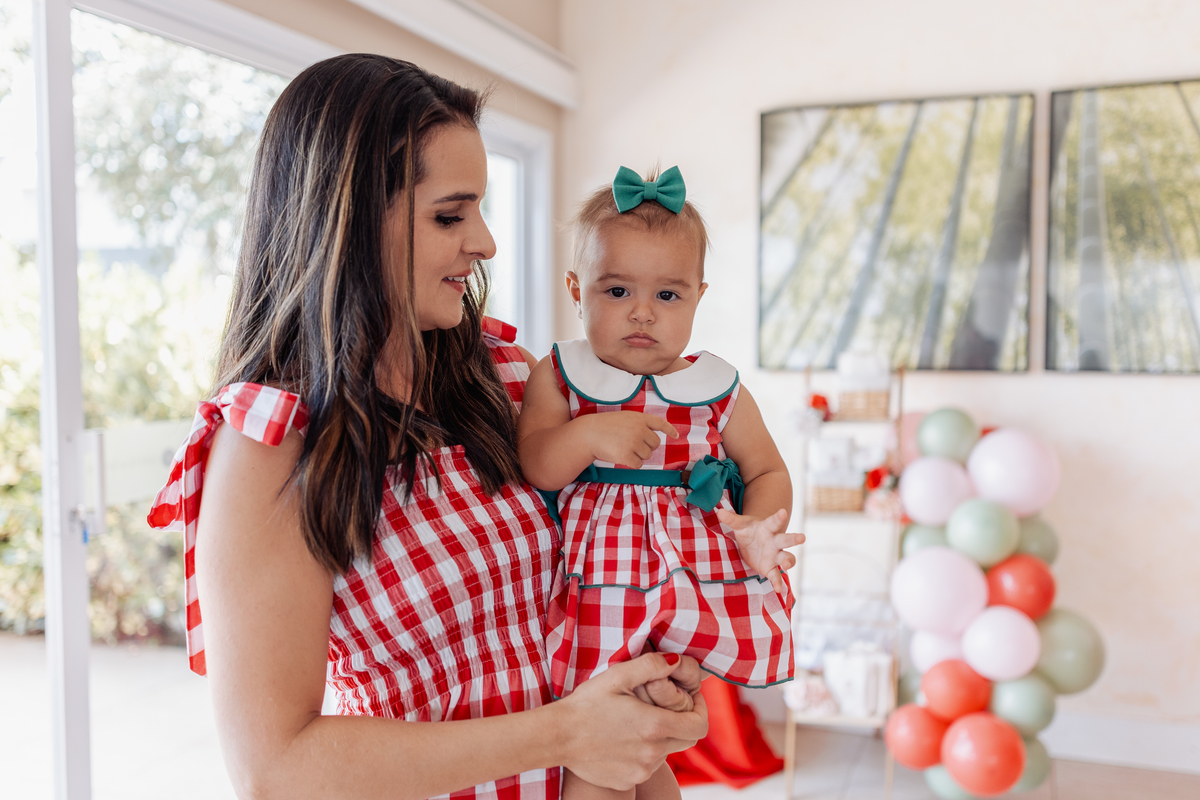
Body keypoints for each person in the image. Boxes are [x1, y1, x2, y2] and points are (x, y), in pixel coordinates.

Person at [147, 55, 708, 800]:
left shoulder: (511, 374)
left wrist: (656, 680)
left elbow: (610, 577)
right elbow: (275, 770)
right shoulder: (271, 443)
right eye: (450, 215)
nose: (485, 243)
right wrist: (567, 733)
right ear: (349, 223)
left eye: (479, 210)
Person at [517, 166, 802, 800]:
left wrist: (757, 528)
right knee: (603, 740)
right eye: (617, 290)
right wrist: (589, 436)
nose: (642, 312)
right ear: (576, 290)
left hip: (690, 586)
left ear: (698, 296)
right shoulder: (561, 374)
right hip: (601, 587)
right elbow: (536, 463)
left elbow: (767, 469)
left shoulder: (717, 389)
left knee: (652, 734)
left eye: (668, 296)